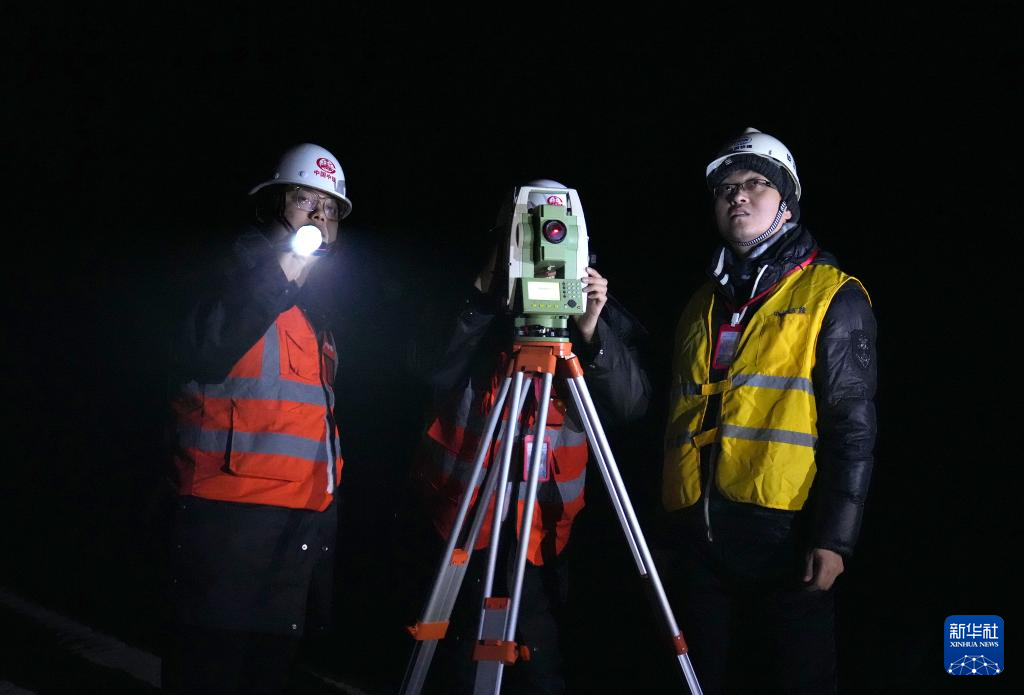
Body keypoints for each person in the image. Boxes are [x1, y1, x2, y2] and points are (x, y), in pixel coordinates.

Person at [401, 180, 651, 694]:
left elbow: (632, 404)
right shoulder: (474, 308)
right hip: (464, 526)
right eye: (527, 239)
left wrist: (591, 331)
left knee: (541, 670)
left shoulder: (592, 321)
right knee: (460, 667)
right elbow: (427, 366)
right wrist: (485, 287)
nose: (542, 256)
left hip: (543, 533)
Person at [661, 128, 877, 694]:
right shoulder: (700, 303)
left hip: (787, 542)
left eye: (757, 182)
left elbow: (853, 429)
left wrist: (834, 540)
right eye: (725, 188)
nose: (737, 194)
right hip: (699, 539)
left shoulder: (833, 294)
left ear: (787, 201)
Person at [163, 143, 352, 694]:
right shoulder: (229, 269)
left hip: (299, 517)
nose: (318, 216)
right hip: (225, 515)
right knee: (210, 668)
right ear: (272, 205)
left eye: (329, 208)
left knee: (268, 671)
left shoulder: (322, 302)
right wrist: (285, 269)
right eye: (304, 200)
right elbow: (206, 344)